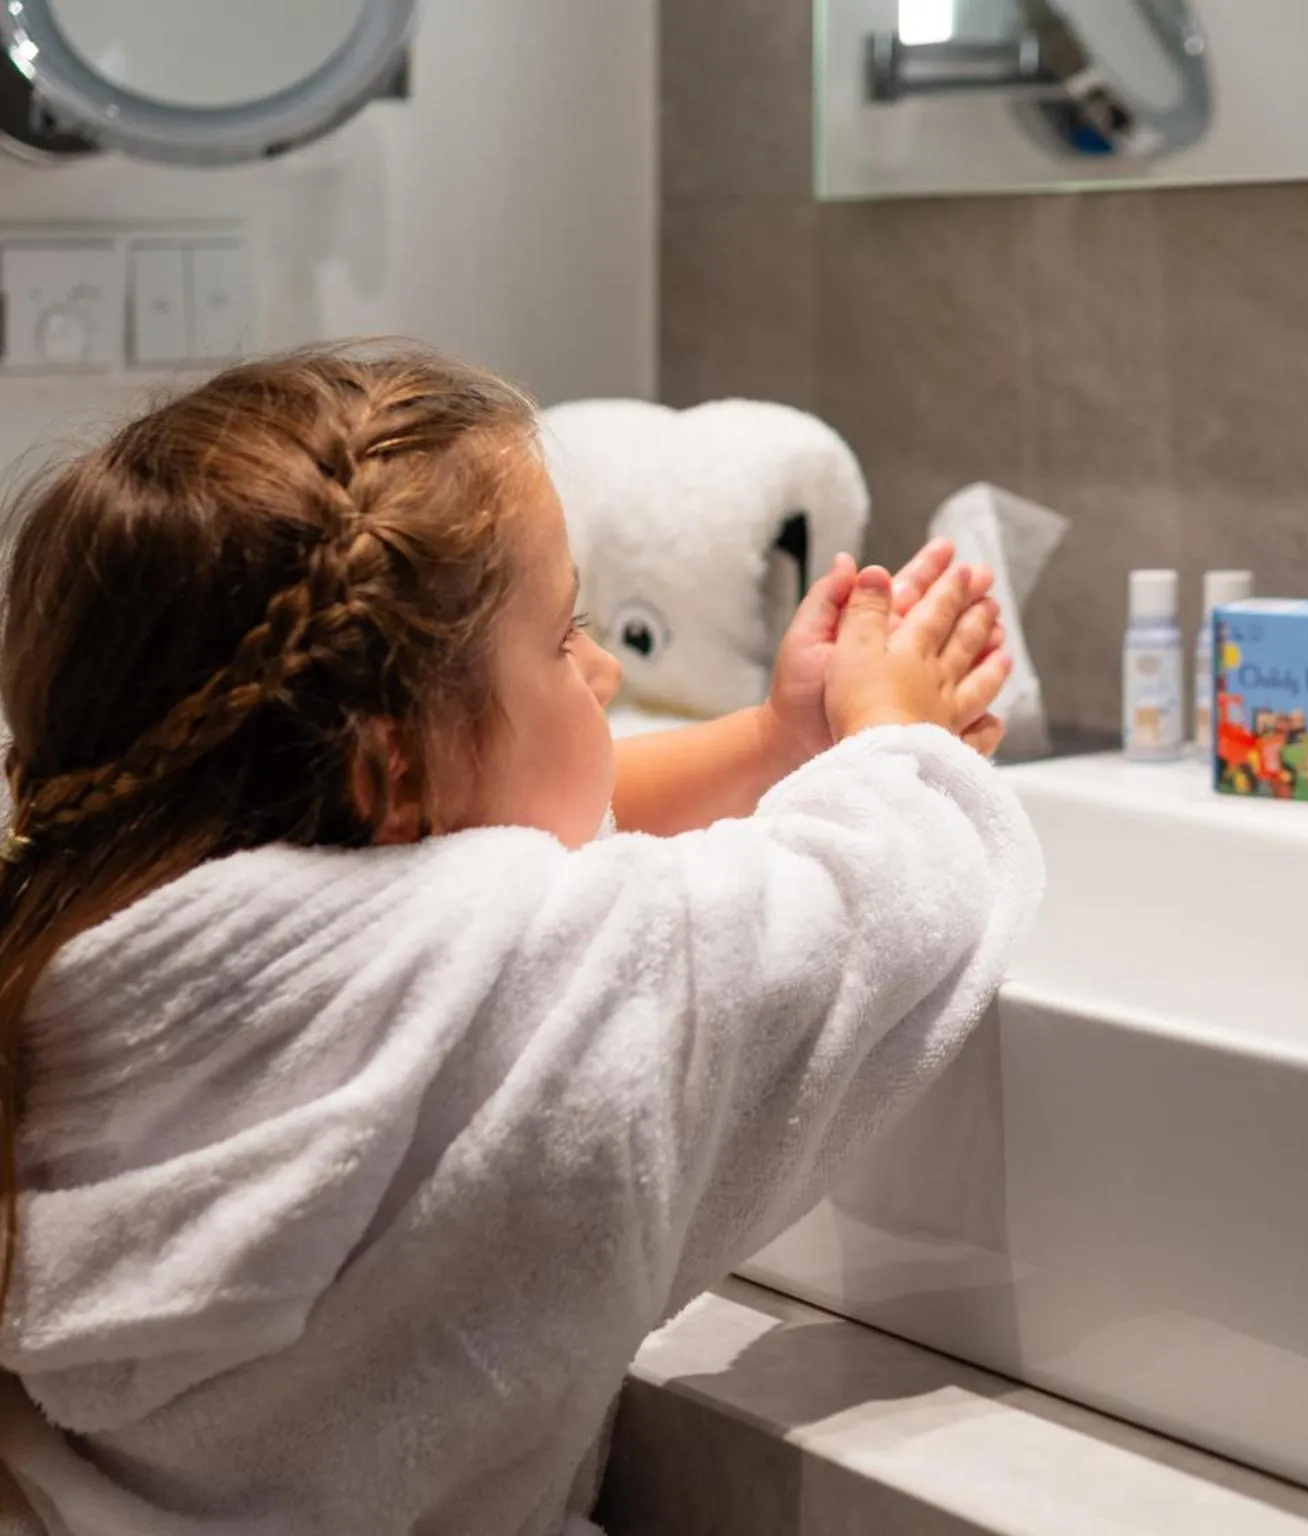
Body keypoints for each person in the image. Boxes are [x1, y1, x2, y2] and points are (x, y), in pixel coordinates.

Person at [0, 344, 1043, 1534]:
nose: (601, 673)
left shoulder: (86, 928)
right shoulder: (505, 994)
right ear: (390, 768)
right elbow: (859, 905)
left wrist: (768, 738)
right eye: (563, 637)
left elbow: (509, 834)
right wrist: (896, 745)